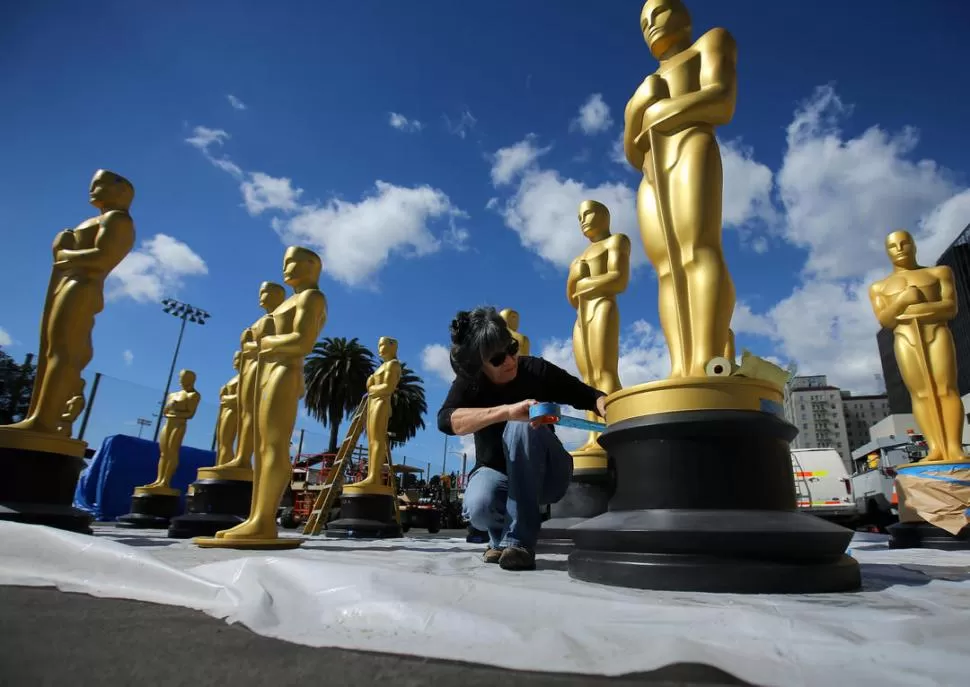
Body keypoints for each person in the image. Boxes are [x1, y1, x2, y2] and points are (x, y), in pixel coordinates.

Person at [438, 306, 607, 571]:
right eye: (496, 359)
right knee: (478, 505)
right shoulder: (469, 383)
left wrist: (609, 405)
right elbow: (446, 420)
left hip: (547, 475)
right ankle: (501, 540)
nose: (509, 360)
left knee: (522, 426)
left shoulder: (537, 370)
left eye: (512, 348)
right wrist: (505, 412)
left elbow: (588, 395)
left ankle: (519, 543)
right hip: (497, 473)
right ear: (479, 366)